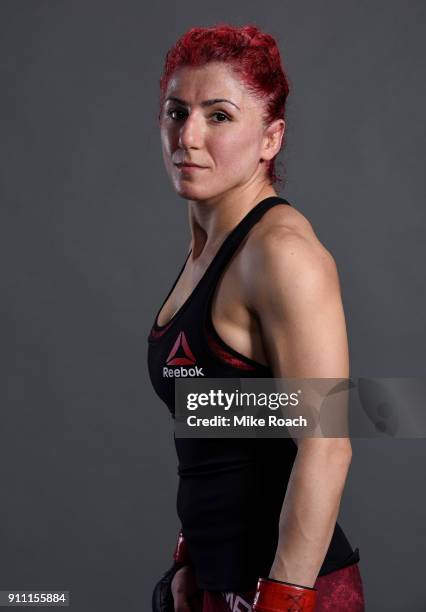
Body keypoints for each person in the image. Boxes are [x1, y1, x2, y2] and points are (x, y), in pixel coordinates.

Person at [148, 24, 365, 611]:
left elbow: (327, 444)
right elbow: (221, 428)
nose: (188, 136)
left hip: (288, 588)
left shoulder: (281, 254)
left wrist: (282, 601)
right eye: (176, 111)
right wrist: (190, 556)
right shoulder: (208, 247)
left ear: (270, 139)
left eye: (219, 116)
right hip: (219, 580)